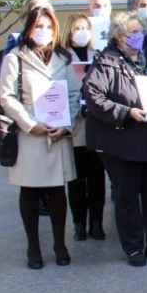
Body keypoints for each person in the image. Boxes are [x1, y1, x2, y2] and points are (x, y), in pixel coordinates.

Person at [82, 12, 147, 267]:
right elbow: (94, 98)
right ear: (118, 35)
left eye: (140, 31)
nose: (137, 37)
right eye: (131, 32)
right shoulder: (106, 62)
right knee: (128, 196)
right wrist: (127, 112)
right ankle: (134, 247)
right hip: (123, 139)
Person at [1, 7, 80, 269]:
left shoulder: (63, 58)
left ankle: (60, 244)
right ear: (28, 28)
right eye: (37, 26)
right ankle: (33, 247)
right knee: (30, 192)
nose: (42, 30)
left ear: (55, 28)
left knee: (58, 192)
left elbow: (73, 95)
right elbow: (6, 96)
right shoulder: (15, 58)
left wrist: (66, 125)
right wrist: (30, 124)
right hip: (30, 135)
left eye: (47, 25)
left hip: (58, 134)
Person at [61, 13, 106, 241]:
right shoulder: (61, 59)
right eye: (77, 28)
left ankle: (97, 223)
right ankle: (79, 223)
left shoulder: (97, 56)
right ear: (69, 31)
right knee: (77, 179)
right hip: (74, 127)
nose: (81, 32)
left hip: (96, 127)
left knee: (97, 178)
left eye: (85, 27)